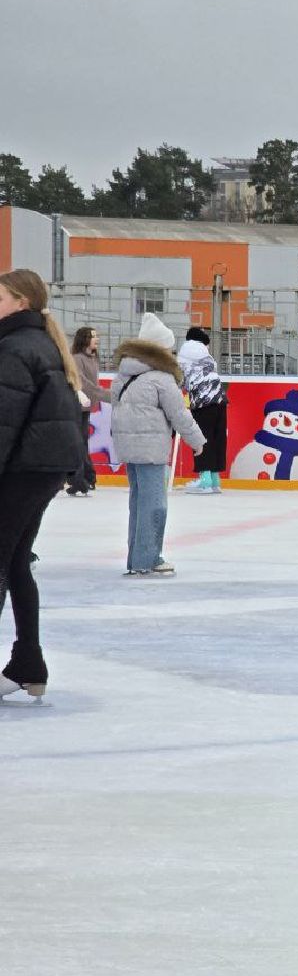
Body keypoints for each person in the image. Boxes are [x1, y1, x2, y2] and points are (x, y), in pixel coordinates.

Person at [0, 270, 86, 704]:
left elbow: (4, 420)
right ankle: (28, 664)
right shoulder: (40, 341)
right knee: (15, 562)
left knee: (4, 561)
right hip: (42, 467)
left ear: (19, 301)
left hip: (23, 468)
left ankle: (27, 661)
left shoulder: (14, 346)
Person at [111, 312, 205, 576]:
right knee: (154, 505)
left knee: (138, 503)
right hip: (150, 448)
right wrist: (196, 440)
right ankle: (147, 559)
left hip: (128, 447)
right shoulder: (161, 378)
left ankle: (136, 558)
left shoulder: (124, 374)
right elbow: (179, 414)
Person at [177, 326, 229, 494]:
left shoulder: (184, 353)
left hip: (202, 402)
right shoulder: (207, 356)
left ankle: (205, 480)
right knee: (217, 437)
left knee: (202, 437)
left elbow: (179, 378)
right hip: (219, 398)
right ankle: (215, 480)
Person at [65, 325, 108, 496]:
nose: (97, 339)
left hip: (86, 406)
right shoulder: (76, 358)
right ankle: (81, 479)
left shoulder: (93, 358)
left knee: (82, 442)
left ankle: (85, 478)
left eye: (97, 336)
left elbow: (93, 385)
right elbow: (83, 383)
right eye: (93, 336)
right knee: (78, 442)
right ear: (84, 339)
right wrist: (108, 396)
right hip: (76, 404)